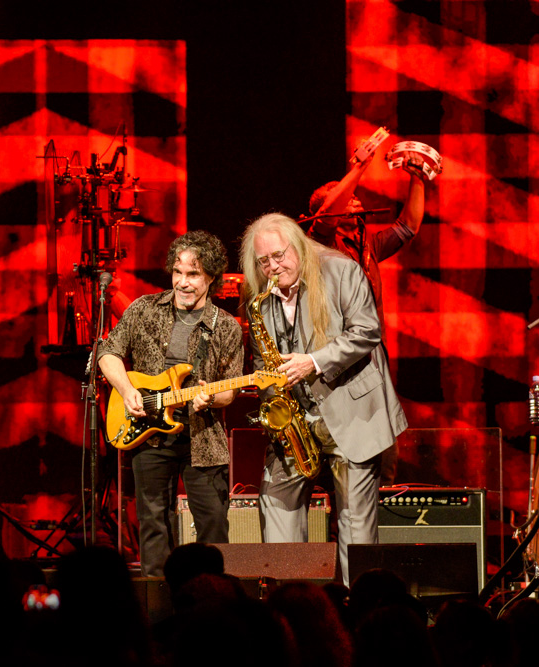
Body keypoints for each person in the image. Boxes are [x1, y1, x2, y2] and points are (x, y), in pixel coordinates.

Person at [240, 213, 406, 585]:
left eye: (279, 256)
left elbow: (367, 331)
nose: (272, 267)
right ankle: (291, 603)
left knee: (355, 526)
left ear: (297, 246)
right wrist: (275, 405)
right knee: (275, 501)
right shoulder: (260, 295)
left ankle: (358, 609)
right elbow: (261, 359)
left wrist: (313, 362)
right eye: (263, 261)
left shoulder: (341, 270)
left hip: (352, 413)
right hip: (298, 422)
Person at [99, 230, 243, 576]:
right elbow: (107, 352)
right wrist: (126, 388)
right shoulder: (144, 309)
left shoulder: (225, 327)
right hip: (148, 435)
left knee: (213, 527)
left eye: (193, 274)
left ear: (211, 276)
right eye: (178, 272)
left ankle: (210, 597)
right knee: (152, 524)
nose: (183, 282)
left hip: (203, 440)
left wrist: (212, 398)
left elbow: (231, 390)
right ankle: (157, 601)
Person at [305, 147, 431, 484]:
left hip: (372, 358)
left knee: (384, 447)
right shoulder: (318, 244)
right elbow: (326, 218)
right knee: (343, 450)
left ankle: (378, 519)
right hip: (338, 361)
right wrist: (359, 167)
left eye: (356, 197)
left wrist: (417, 180)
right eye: (348, 199)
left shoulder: (367, 244)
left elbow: (408, 227)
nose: (357, 201)